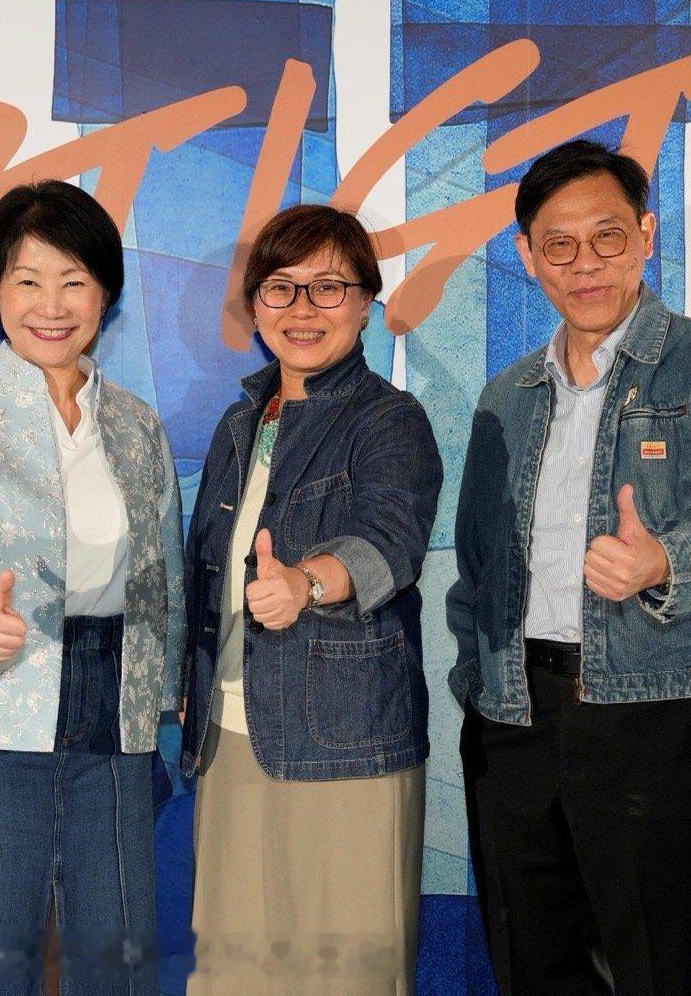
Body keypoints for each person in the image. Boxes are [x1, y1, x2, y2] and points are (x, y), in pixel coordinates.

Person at [449, 138, 691, 994]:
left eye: (606, 237)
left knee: (665, 968)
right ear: (526, 255)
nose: (584, 264)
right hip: (516, 715)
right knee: (534, 964)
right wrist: (480, 688)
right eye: (558, 244)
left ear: (645, 235)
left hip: (658, 712)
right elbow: (476, 564)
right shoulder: (507, 395)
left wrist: (661, 560)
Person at [0, 180, 185, 995]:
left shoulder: (136, 425)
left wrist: (165, 696)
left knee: (114, 963)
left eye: (74, 281)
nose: (52, 306)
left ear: (105, 295)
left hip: (112, 721)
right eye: (28, 281)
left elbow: (162, 571)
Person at [178, 205, 442, 996]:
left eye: (329, 287)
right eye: (281, 287)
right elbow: (205, 572)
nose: (302, 309)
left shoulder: (389, 420)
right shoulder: (239, 424)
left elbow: (390, 542)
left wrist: (309, 582)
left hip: (343, 743)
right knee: (235, 977)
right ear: (255, 304)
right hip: (230, 735)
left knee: (342, 978)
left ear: (365, 304)